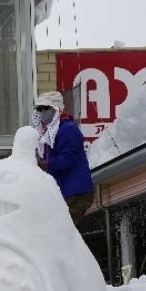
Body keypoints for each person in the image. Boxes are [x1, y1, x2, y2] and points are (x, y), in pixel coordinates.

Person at [31, 91, 94, 225]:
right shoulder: (50, 133)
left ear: (56, 108)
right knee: (59, 231)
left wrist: (45, 165)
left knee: (61, 231)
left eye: (45, 108)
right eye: (39, 109)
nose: (42, 112)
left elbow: (67, 159)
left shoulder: (67, 130)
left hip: (75, 192)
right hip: (65, 192)